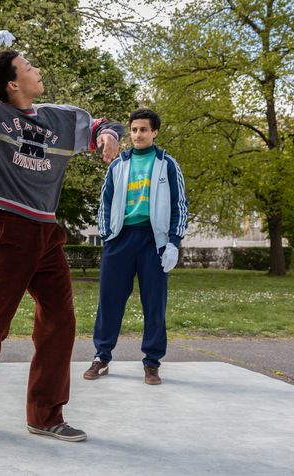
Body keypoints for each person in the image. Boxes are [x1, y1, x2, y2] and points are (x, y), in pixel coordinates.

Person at [0, 30, 123, 442]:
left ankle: (45, 415)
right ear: (13, 84)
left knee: (60, 322)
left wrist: (108, 135)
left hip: (48, 233)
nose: (38, 71)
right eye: (30, 67)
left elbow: (101, 124)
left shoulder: (59, 117)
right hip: (10, 230)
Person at [84, 108, 188, 385]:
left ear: (155, 132)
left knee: (154, 303)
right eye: (134, 130)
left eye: (144, 129)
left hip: (154, 242)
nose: (138, 134)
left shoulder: (167, 164)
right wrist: (107, 237)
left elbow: (179, 206)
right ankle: (101, 356)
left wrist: (174, 243)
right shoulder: (118, 165)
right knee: (109, 300)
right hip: (120, 239)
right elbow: (104, 204)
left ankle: (152, 362)